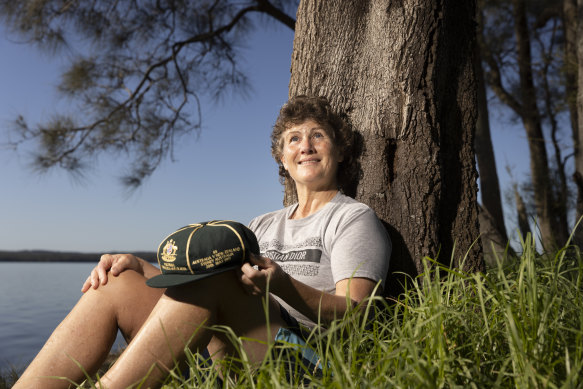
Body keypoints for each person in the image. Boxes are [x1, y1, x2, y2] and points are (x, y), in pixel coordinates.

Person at [13, 95, 391, 389]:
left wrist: (282, 285)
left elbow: (360, 314)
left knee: (220, 276)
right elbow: (207, 293)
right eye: (294, 138)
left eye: (317, 136)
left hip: (307, 363)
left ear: (339, 152)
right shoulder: (262, 223)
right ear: (282, 158)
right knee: (117, 283)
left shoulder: (352, 218)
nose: (305, 145)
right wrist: (141, 267)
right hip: (234, 343)